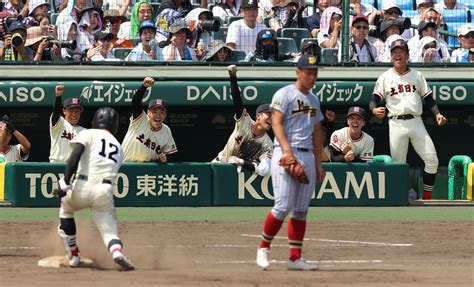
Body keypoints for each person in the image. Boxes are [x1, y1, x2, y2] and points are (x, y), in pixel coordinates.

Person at [256, 54, 325, 271]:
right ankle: (263, 248)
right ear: (298, 72)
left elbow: (316, 133)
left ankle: (295, 258)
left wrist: (319, 162)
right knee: (283, 205)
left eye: (315, 73)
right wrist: (287, 152)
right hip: (284, 152)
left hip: (307, 155)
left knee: (301, 209)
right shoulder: (284, 94)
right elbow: (276, 123)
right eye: (308, 73)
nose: (312, 77)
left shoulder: (314, 100)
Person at [54, 107, 135, 271]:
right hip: (104, 192)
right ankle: (116, 252)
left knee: (66, 210)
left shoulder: (88, 133)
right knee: (110, 232)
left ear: (95, 121)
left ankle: (73, 255)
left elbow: (75, 155)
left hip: (82, 186)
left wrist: (65, 181)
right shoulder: (118, 146)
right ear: (115, 126)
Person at [370, 39, 447, 200]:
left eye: (401, 52)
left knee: (432, 160)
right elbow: (373, 100)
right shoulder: (384, 77)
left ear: (407, 55)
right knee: (398, 166)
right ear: (391, 56)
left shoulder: (417, 75)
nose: (398, 55)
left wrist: (437, 114)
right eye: (395, 52)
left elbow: (429, 99)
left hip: (415, 121)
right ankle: (401, 197)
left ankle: (426, 197)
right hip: (396, 123)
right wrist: (373, 109)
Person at [212, 65, 273, 177]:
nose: (272, 119)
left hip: (240, 175)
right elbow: (237, 101)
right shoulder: (245, 121)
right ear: (258, 116)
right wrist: (233, 77)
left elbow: (266, 170)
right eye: (269, 115)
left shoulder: (268, 144)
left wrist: (243, 162)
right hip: (220, 164)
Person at [122, 77, 178, 162]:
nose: (158, 116)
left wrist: (164, 158)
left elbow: (172, 154)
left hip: (145, 171)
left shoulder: (166, 130)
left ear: (165, 115)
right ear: (148, 112)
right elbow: (135, 102)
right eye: (154, 112)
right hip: (125, 166)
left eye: (162, 112)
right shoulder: (141, 119)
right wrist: (144, 87)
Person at [49, 85, 86, 162]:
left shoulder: (85, 132)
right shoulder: (60, 123)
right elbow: (55, 114)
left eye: (77, 112)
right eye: (71, 111)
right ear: (64, 111)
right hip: (56, 164)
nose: (74, 114)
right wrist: (58, 96)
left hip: (74, 167)